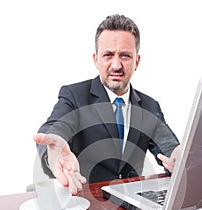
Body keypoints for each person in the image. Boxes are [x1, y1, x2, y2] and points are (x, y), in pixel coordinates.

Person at [34, 14, 180, 195]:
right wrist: (53, 153)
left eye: (125, 55)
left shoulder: (150, 106)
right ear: (96, 60)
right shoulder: (75, 96)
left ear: (137, 61)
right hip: (85, 204)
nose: (116, 65)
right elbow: (55, 128)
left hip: (132, 208)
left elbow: (170, 150)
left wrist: (180, 160)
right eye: (108, 55)